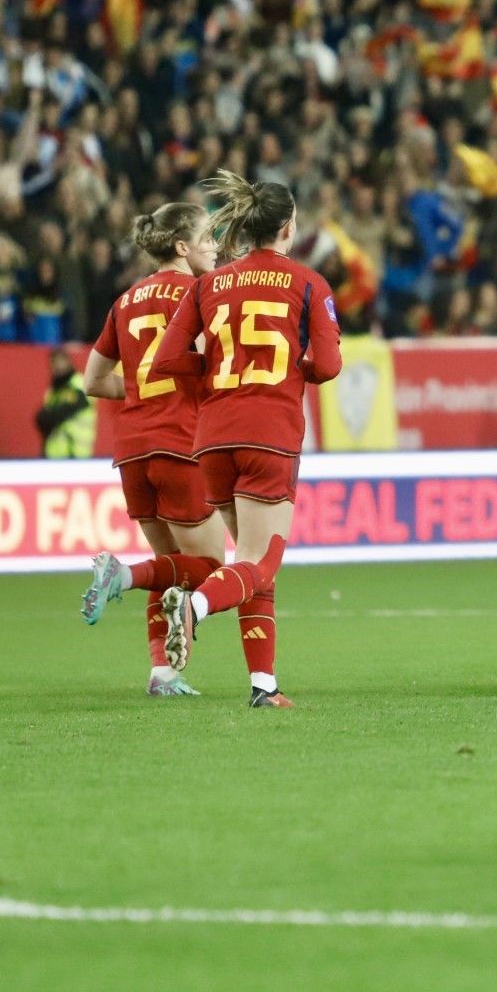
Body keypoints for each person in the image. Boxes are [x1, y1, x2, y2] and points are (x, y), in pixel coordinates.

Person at [148, 171, 342, 708]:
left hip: (212, 438)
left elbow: (166, 360)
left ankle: (264, 685)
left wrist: (215, 368)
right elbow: (327, 365)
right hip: (269, 432)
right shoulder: (308, 283)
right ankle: (194, 608)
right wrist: (286, 369)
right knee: (262, 560)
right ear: (286, 227)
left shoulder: (209, 284)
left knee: (247, 560)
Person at [78, 202, 225, 698]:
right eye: (208, 236)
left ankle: (162, 672)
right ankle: (121, 574)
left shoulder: (126, 300)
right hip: (180, 444)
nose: (217, 246)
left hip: (133, 449)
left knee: (171, 571)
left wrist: (140, 389)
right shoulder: (201, 294)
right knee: (209, 568)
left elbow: (93, 381)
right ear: (181, 246)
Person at [36, 347, 94, 457]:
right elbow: (40, 419)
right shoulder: (53, 391)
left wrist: (50, 416)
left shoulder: (80, 384)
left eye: (60, 361)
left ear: (68, 361)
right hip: (54, 455)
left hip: (75, 452)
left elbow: (63, 412)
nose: (57, 366)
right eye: (53, 362)